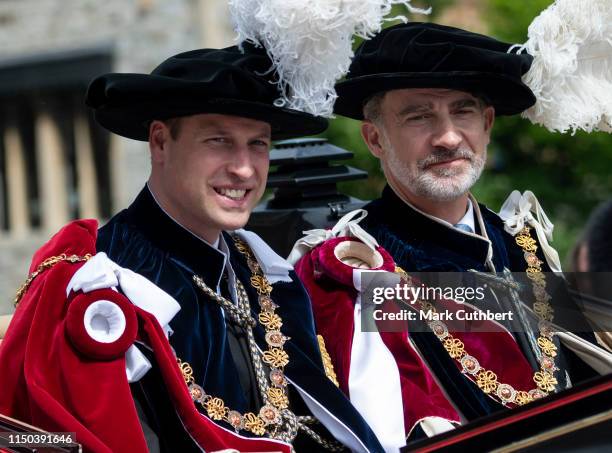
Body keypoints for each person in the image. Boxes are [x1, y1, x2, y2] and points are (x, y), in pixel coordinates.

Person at [0, 44, 384, 453]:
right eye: (218, 140)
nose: (243, 168)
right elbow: (62, 440)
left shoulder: (265, 273)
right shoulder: (98, 284)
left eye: (258, 144)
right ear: (161, 142)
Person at [291, 22, 612, 450]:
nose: (447, 137)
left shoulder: (520, 240)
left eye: (462, 111)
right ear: (375, 139)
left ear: (487, 123)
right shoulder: (355, 269)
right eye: (418, 116)